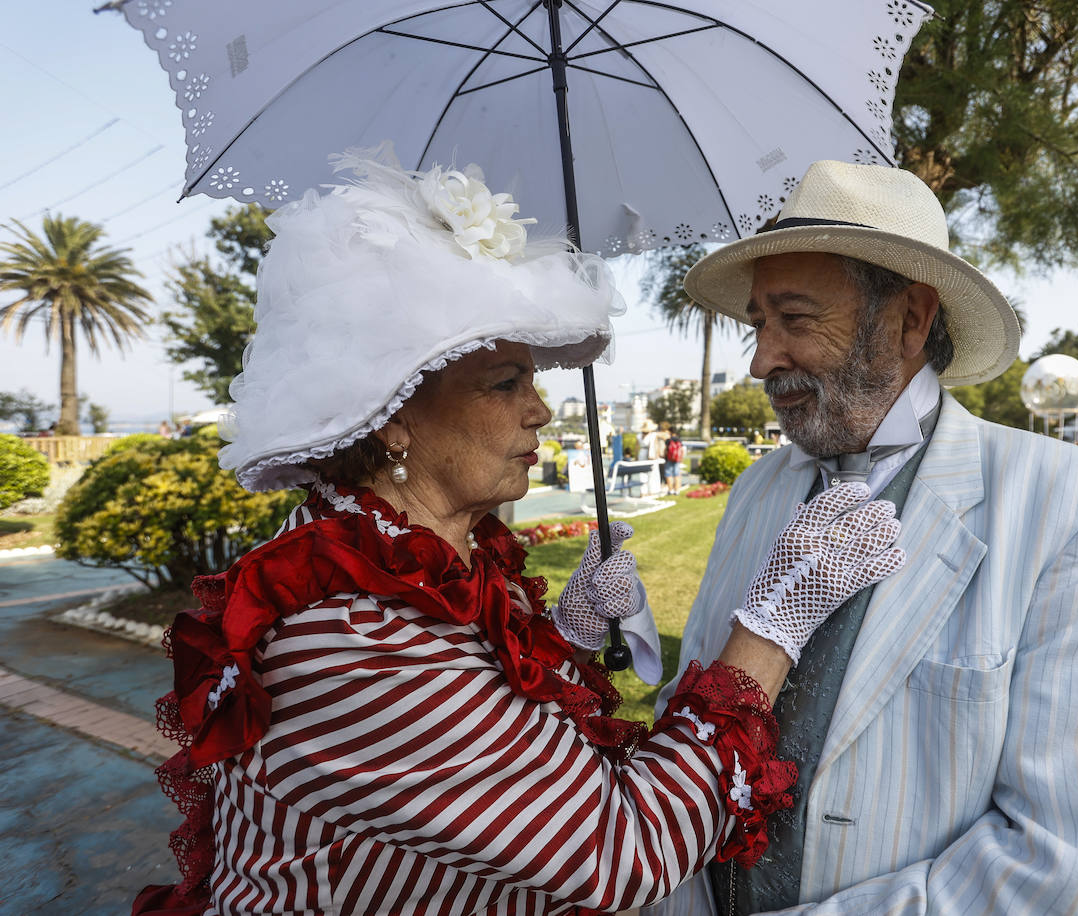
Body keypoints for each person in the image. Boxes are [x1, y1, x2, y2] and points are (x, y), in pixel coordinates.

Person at [132, 150, 907, 916]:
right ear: (394, 416)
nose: (539, 410)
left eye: (531, 380)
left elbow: (487, 736)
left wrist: (560, 641)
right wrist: (770, 627)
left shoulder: (416, 560)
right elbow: (619, 849)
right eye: (505, 384)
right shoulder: (347, 633)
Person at [648, 159, 1078, 915]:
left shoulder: (1076, 507)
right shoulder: (759, 489)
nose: (763, 358)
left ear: (910, 320)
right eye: (759, 324)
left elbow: (1067, 862)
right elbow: (694, 702)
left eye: (795, 318)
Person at [663, 427, 685, 495]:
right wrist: (681, 458)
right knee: (677, 474)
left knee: (668, 474)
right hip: (677, 459)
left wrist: (664, 456)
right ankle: (677, 490)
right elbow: (682, 450)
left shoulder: (668, 440)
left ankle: (670, 490)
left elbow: (666, 450)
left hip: (669, 459)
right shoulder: (679, 440)